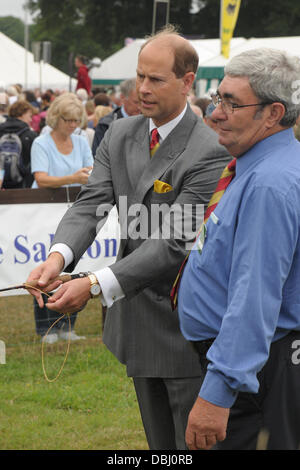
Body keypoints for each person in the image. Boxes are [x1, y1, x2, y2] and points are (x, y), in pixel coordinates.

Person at [26, 25, 230, 449]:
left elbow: (174, 240)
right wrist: (59, 257)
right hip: (137, 326)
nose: (142, 88)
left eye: (155, 79)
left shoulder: (210, 148)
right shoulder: (119, 134)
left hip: (187, 330)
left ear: (187, 81)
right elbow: (91, 203)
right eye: (139, 76)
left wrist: (96, 284)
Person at [177, 47, 300, 450]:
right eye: (217, 98)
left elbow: (255, 298)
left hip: (258, 374)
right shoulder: (255, 168)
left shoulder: (269, 184)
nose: (214, 114)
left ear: (273, 113)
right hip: (253, 365)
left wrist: (219, 391)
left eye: (232, 103)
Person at [30, 92, 93, 344]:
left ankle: (68, 325)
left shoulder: (80, 142)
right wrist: (72, 179)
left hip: (74, 213)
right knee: (45, 270)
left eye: (76, 120)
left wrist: (82, 178)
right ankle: (45, 327)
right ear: (56, 117)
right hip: (44, 213)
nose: (72, 125)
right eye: (68, 119)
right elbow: (41, 178)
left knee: (72, 268)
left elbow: (90, 171)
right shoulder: (41, 143)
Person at [91, 78, 140, 156]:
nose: (140, 107)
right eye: (136, 102)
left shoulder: (150, 122)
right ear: (122, 97)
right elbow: (97, 157)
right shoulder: (105, 125)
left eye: (143, 102)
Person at [0, 99, 37, 188]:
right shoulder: (31, 135)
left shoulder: (1, 130)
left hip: (2, 184)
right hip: (22, 185)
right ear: (22, 114)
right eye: (29, 116)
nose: (31, 119)